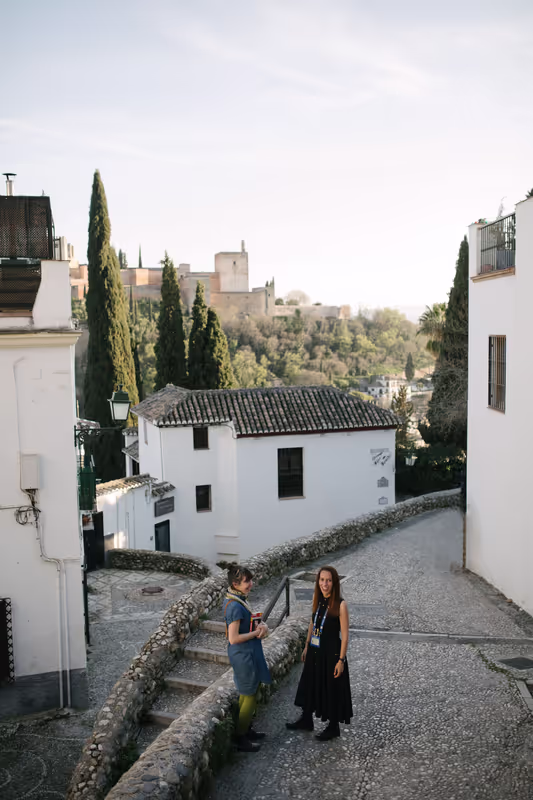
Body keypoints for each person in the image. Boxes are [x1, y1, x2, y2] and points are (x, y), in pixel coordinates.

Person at [286, 565, 353, 740]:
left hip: (331, 654)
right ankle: (306, 719)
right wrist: (307, 646)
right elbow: (313, 623)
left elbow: (345, 636)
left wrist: (341, 660)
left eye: (328, 580)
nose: (325, 584)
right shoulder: (319, 599)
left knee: (330, 688)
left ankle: (333, 727)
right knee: (309, 683)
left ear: (334, 583)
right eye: (322, 580)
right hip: (315, 651)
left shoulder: (340, 605)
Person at [224, 563, 271, 752]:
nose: (251, 584)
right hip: (243, 656)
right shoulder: (234, 607)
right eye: (246, 581)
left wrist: (262, 626)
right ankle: (240, 737)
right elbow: (233, 638)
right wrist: (256, 633)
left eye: (250, 580)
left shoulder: (238, 599)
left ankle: (246, 728)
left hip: (248, 653)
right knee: (249, 694)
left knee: (250, 692)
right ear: (235, 584)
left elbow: (248, 623)